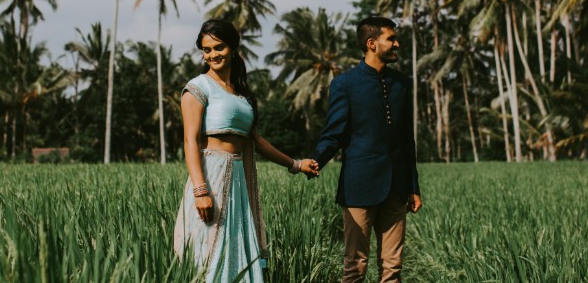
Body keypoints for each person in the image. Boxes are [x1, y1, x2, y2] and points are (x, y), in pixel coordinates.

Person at [174, 18, 319, 282]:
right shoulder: (197, 88)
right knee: (209, 252)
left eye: (218, 47)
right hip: (212, 178)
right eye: (206, 50)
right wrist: (200, 190)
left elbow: (258, 142)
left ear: (232, 48)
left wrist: (296, 164)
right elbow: (190, 141)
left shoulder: (241, 95)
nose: (213, 55)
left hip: (239, 180)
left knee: (236, 249)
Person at [310, 16, 422, 282]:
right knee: (355, 267)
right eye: (391, 38)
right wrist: (314, 161)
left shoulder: (402, 83)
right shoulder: (345, 84)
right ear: (372, 43)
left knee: (393, 268)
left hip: (396, 186)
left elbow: (407, 139)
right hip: (358, 186)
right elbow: (333, 134)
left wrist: (413, 187)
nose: (397, 43)